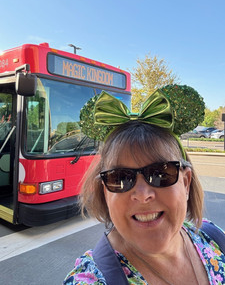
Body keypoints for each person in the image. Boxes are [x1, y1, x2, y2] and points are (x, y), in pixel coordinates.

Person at [63, 88, 225, 285]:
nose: (142, 195)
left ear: (186, 182)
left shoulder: (214, 237)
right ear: (105, 192)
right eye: (120, 177)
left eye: (160, 174)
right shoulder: (91, 279)